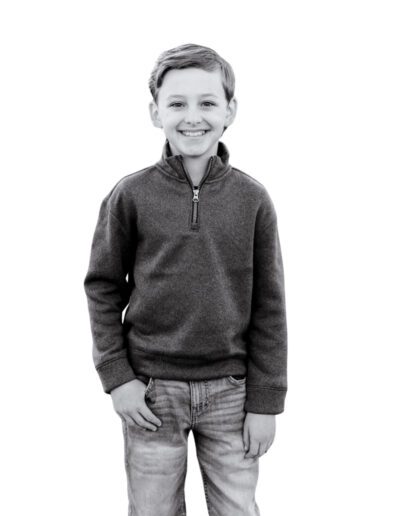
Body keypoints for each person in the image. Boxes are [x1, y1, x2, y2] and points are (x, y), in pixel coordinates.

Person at [83, 42, 288, 516]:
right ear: (155, 112)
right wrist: (118, 378)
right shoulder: (130, 195)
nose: (192, 117)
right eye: (177, 104)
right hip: (151, 392)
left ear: (230, 111)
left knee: (237, 508)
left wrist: (266, 400)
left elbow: (270, 305)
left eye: (207, 103)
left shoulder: (253, 200)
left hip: (232, 392)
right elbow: (102, 287)